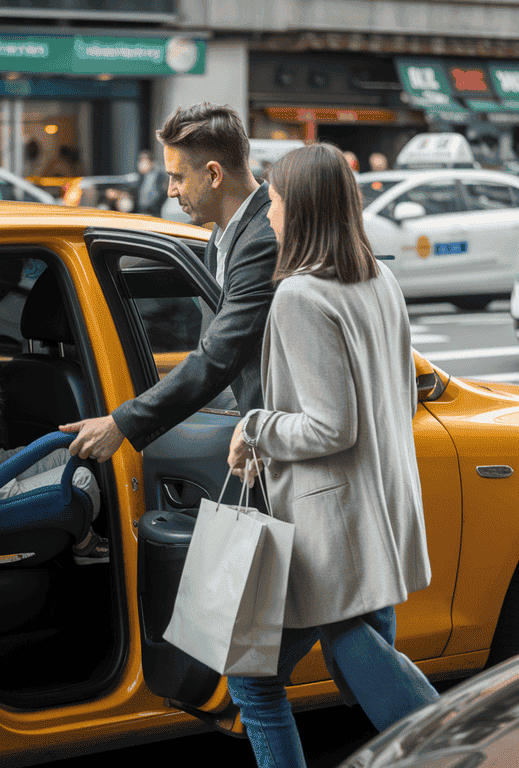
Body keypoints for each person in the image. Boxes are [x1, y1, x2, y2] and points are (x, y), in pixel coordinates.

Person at [226, 143, 439, 767]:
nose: (268, 215)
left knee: (254, 679)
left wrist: (256, 428)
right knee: (358, 683)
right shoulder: (379, 277)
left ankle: (462, 750)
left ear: (305, 209)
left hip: (327, 534)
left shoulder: (300, 297)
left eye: (275, 202)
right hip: (379, 514)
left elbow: (330, 428)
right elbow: (395, 398)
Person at [60, 102, 278, 462]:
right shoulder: (221, 238)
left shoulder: (263, 238)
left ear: (213, 174)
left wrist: (121, 423)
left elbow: (219, 355)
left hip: (279, 443)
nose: (172, 191)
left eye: (177, 177)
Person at [0, 343, 108, 565]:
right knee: (81, 479)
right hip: (5, 498)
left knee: (64, 453)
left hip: (3, 481)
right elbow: (2, 491)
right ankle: (84, 543)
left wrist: (34, 452)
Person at [134, 149, 169, 217]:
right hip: (143, 212)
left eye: (144, 161)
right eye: (140, 161)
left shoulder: (160, 175)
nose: (141, 164)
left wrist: (151, 209)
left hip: (155, 213)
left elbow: (161, 194)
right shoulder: (142, 177)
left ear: (152, 162)